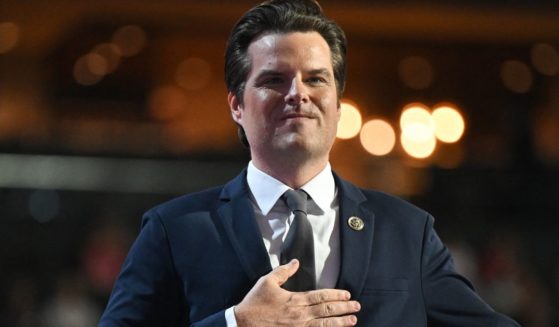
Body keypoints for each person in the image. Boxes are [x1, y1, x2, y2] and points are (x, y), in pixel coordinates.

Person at [99, 0, 520, 326]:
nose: (297, 93)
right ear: (236, 106)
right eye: (273, 80)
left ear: (338, 104)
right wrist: (236, 322)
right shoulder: (174, 230)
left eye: (316, 78)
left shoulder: (407, 231)